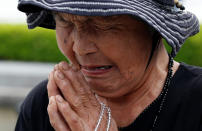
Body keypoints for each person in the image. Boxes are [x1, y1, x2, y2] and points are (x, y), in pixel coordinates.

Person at [15, 0, 202, 131]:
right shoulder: (45, 105)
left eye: (104, 25)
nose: (80, 48)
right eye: (65, 21)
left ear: (156, 30)